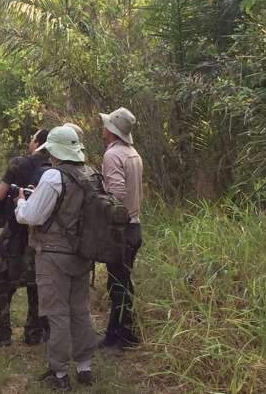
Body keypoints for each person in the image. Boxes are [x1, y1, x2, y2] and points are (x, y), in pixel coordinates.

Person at [15, 126, 97, 390]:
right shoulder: (92, 174)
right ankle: (85, 367)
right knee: (80, 310)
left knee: (57, 313)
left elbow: (31, 216)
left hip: (52, 254)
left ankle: (59, 372)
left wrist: (20, 203)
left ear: (54, 151)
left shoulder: (53, 177)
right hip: (83, 254)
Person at [0, 129, 51, 347]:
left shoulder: (19, 164)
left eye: (31, 139)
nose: (30, 142)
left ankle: (0, 333)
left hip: (16, 232)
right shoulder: (55, 169)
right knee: (37, 285)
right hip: (42, 234)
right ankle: (34, 333)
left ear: (37, 142)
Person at [97, 107, 143, 350]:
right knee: (121, 280)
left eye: (105, 126)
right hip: (134, 226)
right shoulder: (132, 153)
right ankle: (118, 332)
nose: (103, 129)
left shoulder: (113, 155)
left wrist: (97, 201)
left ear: (111, 130)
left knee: (117, 283)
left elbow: (117, 192)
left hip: (121, 230)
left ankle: (121, 336)